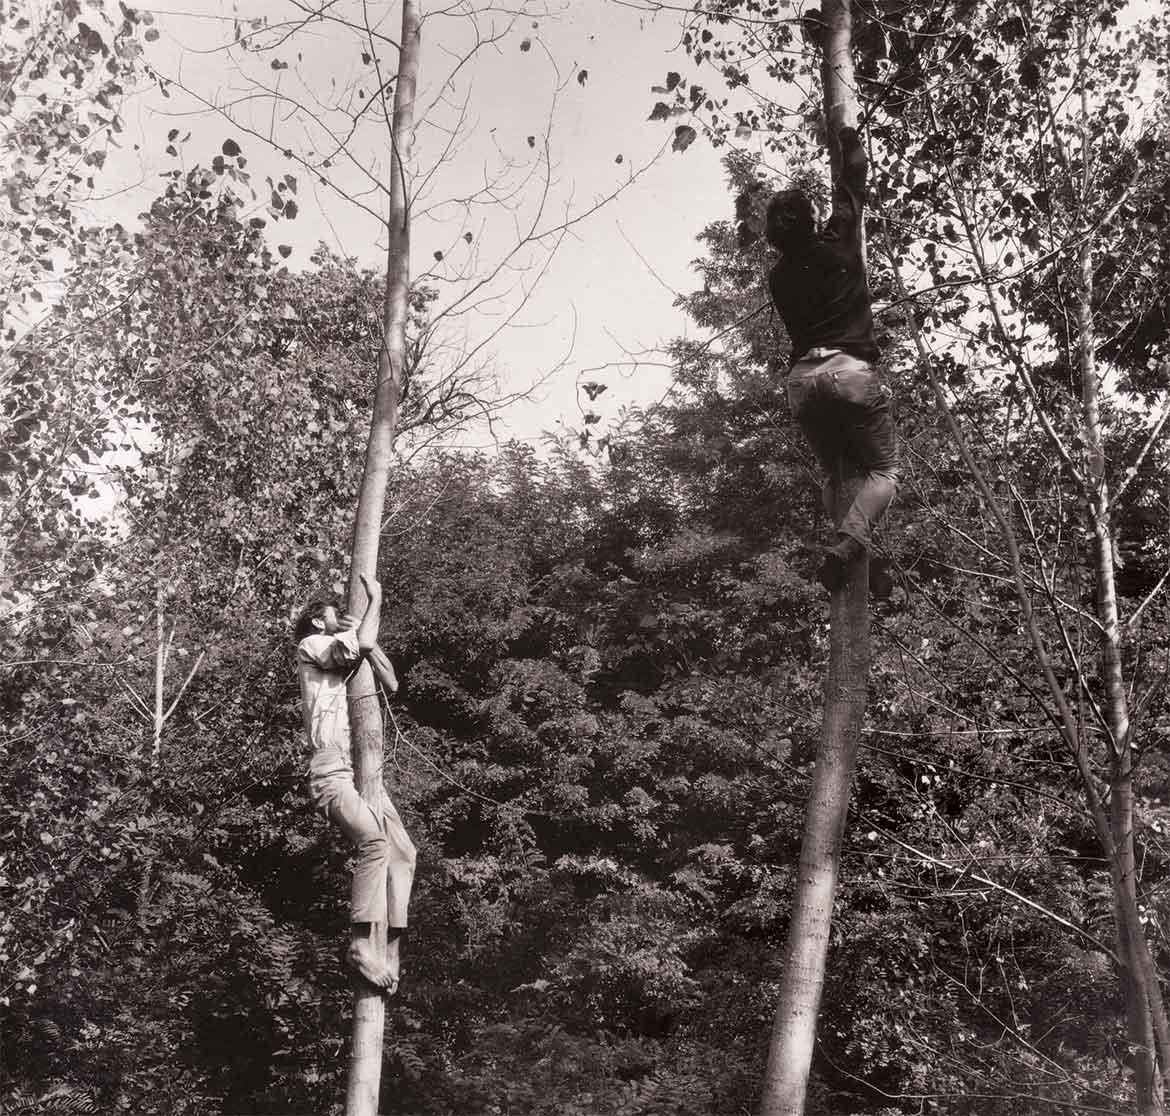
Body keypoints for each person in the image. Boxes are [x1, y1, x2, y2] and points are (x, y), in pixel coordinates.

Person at [766, 124, 897, 592]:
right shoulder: (840, 244)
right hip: (848, 372)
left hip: (802, 381)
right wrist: (847, 139)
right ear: (813, 218)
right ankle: (850, 542)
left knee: (833, 470)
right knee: (884, 470)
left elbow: (802, 260)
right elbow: (854, 179)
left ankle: (841, 541)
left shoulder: (777, 278)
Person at [294, 574, 416, 994]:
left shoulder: (341, 642)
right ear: (316, 622)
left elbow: (391, 680)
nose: (339, 615)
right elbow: (361, 646)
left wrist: (359, 627)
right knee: (374, 843)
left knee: (403, 851)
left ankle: (391, 947)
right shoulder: (310, 646)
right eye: (333, 613)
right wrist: (374, 602)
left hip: (358, 767)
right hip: (330, 769)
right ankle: (360, 944)